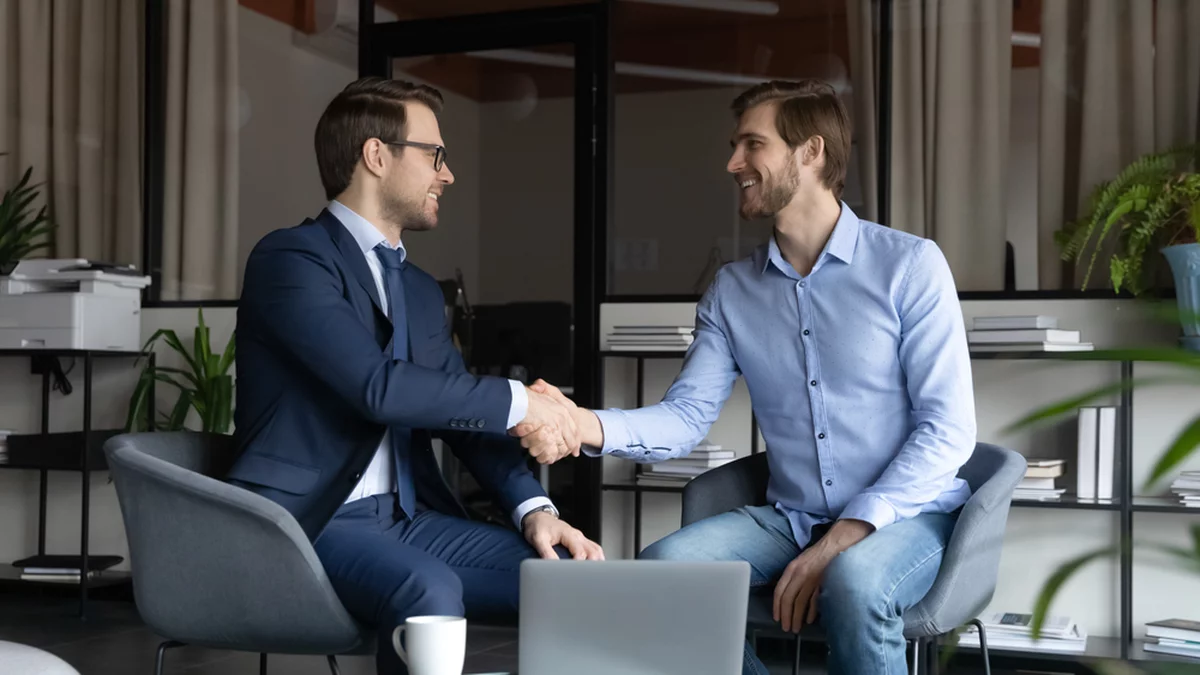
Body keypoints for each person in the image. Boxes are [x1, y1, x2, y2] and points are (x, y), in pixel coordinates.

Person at [514, 79, 976, 675]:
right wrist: (579, 421)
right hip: (794, 520)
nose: (733, 163)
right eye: (735, 145)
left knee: (856, 583)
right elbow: (684, 419)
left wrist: (845, 537)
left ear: (810, 153)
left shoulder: (910, 266)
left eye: (752, 144)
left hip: (911, 516)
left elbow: (947, 429)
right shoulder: (732, 291)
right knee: (664, 574)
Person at [227, 76, 604, 675]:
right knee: (427, 592)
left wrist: (534, 509)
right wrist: (520, 403)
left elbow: (463, 425)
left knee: (578, 582)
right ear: (376, 155)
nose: (447, 174)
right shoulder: (291, 260)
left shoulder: (422, 294)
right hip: (309, 521)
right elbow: (376, 388)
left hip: (408, 520)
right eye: (435, 155)